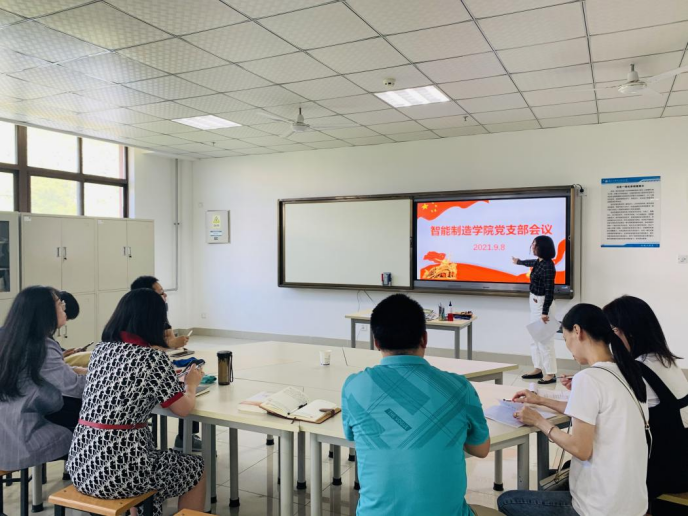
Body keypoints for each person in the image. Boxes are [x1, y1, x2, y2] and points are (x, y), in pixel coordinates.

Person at [342, 294, 491, 516]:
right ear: (424, 339)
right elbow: (481, 449)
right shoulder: (460, 388)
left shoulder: (354, 387)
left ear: (376, 342)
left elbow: (351, 435)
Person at [498, 303, 649, 516]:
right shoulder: (627, 372)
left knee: (507, 500)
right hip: (634, 505)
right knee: (552, 482)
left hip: (599, 509)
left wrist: (539, 420)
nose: (568, 348)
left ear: (577, 331)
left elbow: (581, 449)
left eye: (566, 338)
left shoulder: (589, 378)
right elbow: (591, 412)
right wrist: (540, 400)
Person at [66, 289, 206, 517]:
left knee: (154, 469)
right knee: (195, 468)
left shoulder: (100, 350)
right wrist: (191, 384)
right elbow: (183, 409)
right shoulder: (152, 359)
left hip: (81, 465)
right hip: (121, 470)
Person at [603, 295, 687, 501]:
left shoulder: (639, 370)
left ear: (623, 332)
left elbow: (609, 415)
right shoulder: (665, 360)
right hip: (680, 461)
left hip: (666, 473)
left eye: (611, 330)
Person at [0, 286, 87, 472]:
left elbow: (34, 372)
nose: (64, 307)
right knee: (92, 433)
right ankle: (89, 483)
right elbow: (75, 387)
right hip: (23, 436)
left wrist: (72, 369)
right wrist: (104, 378)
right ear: (44, 311)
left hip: (6, 428)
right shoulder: (42, 345)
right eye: (60, 303)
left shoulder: (8, 337)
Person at [130, 275, 199, 451]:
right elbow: (151, 348)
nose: (165, 296)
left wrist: (169, 342)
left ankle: (187, 436)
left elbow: (168, 337)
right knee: (186, 389)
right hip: (130, 451)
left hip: (92, 449)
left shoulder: (106, 348)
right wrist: (191, 385)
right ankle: (184, 438)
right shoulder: (150, 358)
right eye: (161, 293)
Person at [512, 235, 558, 384]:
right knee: (534, 339)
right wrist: (519, 262)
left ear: (542, 247)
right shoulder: (539, 262)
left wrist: (545, 312)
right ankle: (538, 368)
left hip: (543, 305)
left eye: (535, 245)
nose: (532, 247)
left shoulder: (548, 266)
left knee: (545, 341)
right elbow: (530, 262)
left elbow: (549, 291)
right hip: (534, 303)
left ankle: (550, 373)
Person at [130, 276, 189, 349]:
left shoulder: (159, 312)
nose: (165, 295)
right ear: (148, 297)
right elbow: (142, 349)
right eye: (161, 293)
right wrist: (170, 343)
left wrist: (176, 342)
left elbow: (170, 337)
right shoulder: (134, 320)